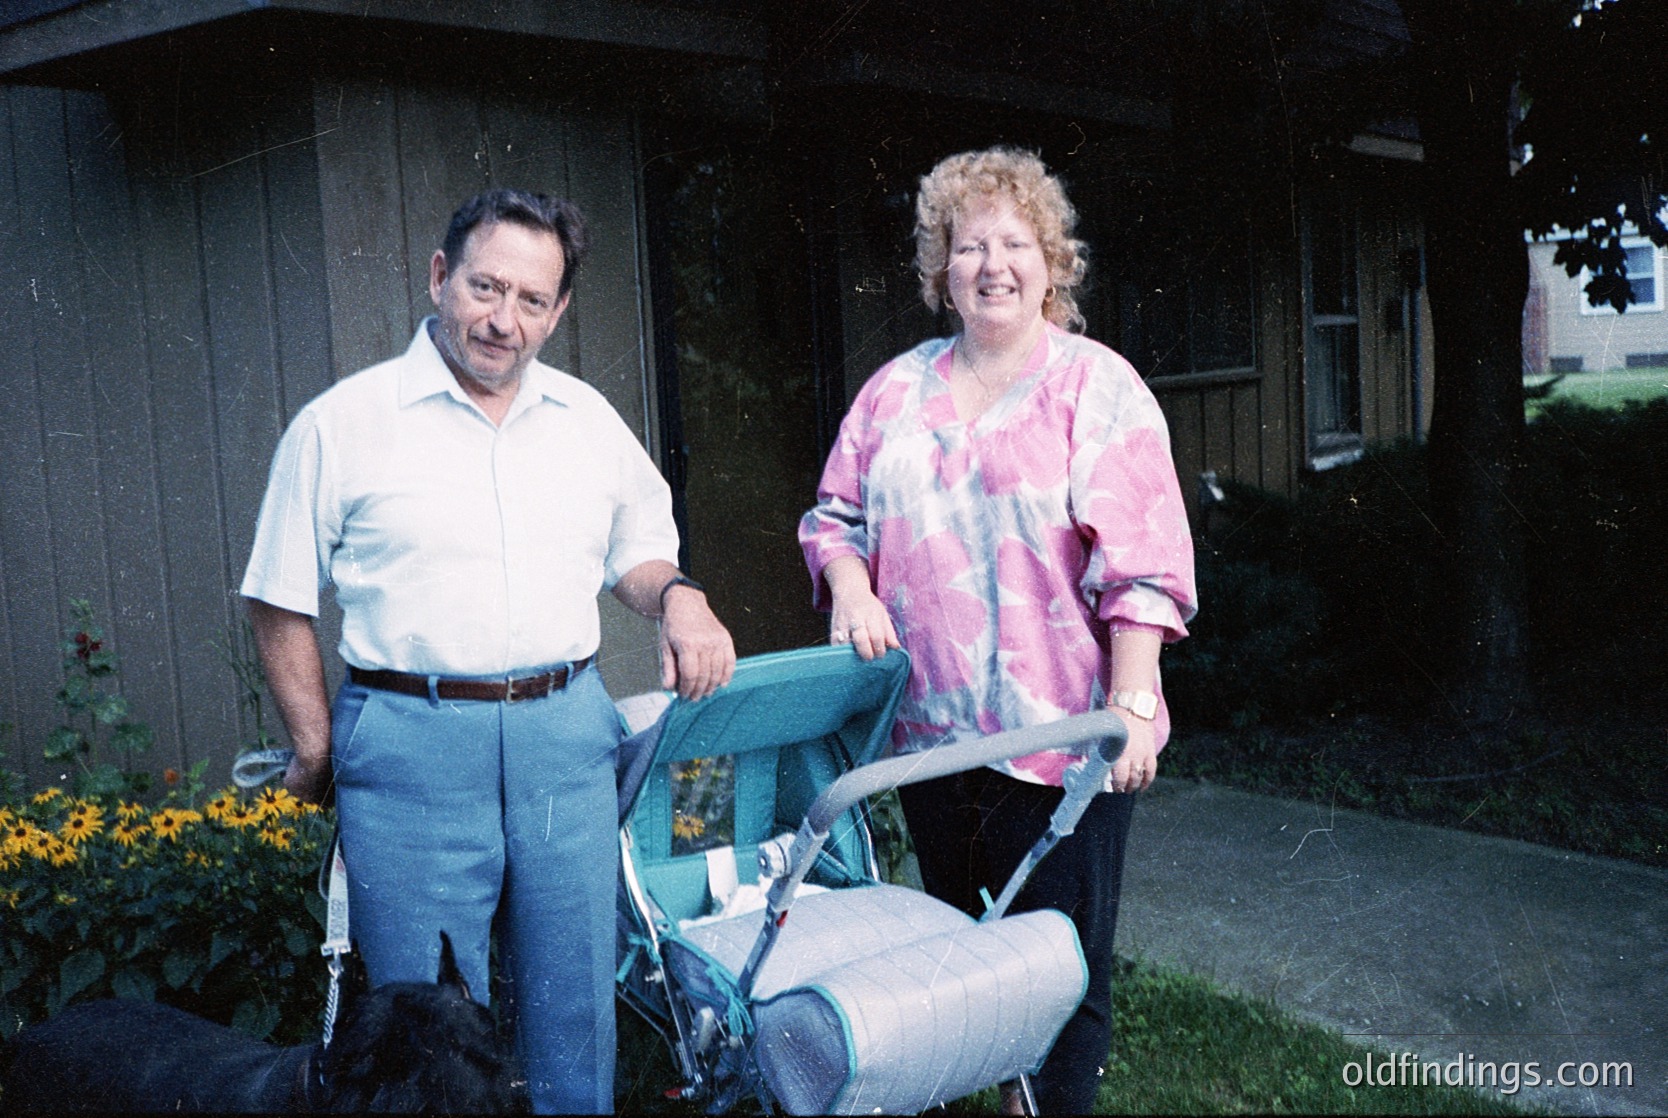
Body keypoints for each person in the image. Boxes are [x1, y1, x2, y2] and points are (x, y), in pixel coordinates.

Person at [242, 188, 735, 1115]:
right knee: (426, 1037)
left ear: (559, 312)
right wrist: (314, 748)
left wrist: (679, 599)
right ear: (440, 277)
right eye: (485, 287)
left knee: (572, 1012)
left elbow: (637, 552)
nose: (503, 320)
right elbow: (278, 598)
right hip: (410, 741)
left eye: (532, 301)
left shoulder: (587, 421)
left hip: (562, 740)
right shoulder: (343, 425)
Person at [799, 147, 1197, 1113]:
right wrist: (851, 587)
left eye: (1015, 242)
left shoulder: (1096, 387)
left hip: (1059, 740)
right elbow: (835, 520)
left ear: (1052, 261)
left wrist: (1133, 703)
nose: (992, 264)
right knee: (958, 955)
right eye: (967, 245)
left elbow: (1142, 562)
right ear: (940, 268)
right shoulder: (893, 390)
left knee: (1060, 969)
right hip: (932, 741)